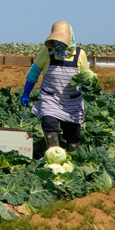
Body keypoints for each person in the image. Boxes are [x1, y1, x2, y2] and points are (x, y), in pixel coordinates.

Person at [20, 20, 97, 151]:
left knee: (73, 135)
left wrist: (86, 86)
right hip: (50, 98)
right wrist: (26, 93)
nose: (58, 44)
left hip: (72, 101)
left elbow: (85, 75)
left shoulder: (79, 54)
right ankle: (53, 155)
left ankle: (73, 158)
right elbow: (34, 73)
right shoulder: (47, 52)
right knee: (49, 125)